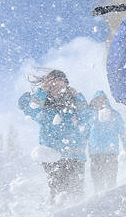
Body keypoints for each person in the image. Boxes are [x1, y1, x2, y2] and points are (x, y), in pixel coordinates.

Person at [18, 69, 90, 203]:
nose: (58, 90)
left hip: (75, 156)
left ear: (67, 87)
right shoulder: (44, 106)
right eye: (53, 86)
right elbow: (32, 112)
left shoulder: (74, 103)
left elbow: (87, 118)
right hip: (52, 156)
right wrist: (42, 91)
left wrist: (78, 96)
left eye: (61, 86)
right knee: (58, 194)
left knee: (76, 195)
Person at [87, 91, 126, 192]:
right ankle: (98, 202)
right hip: (95, 153)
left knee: (111, 181)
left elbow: (123, 130)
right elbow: (84, 133)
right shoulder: (90, 116)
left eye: (103, 99)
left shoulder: (114, 114)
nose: (101, 101)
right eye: (98, 99)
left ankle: (111, 200)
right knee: (97, 182)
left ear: (106, 100)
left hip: (111, 153)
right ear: (94, 101)